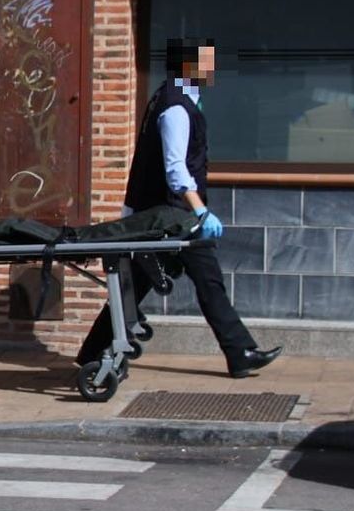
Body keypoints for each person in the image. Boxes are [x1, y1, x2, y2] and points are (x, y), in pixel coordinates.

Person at [75, 37, 281, 379]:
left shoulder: (172, 97)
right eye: (207, 62)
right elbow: (175, 168)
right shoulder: (175, 107)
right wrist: (200, 211)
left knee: (138, 283)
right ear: (189, 67)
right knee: (207, 279)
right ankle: (239, 351)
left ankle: (93, 351)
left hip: (161, 212)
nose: (212, 69)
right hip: (171, 215)